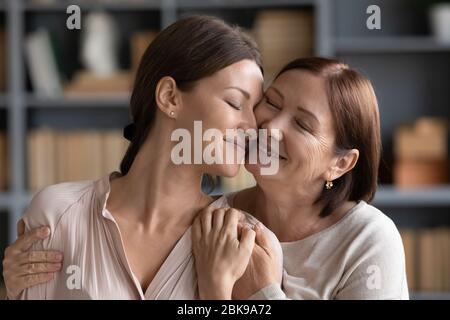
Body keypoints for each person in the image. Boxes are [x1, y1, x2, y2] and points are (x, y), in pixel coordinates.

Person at [2, 15, 283, 299]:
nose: (251, 126)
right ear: (170, 97)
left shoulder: (247, 243)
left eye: (254, 110)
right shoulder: (58, 216)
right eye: (235, 103)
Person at [193, 57, 409, 300]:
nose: (272, 127)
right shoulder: (213, 220)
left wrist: (260, 292)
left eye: (303, 125)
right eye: (272, 102)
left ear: (340, 164)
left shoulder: (367, 241)